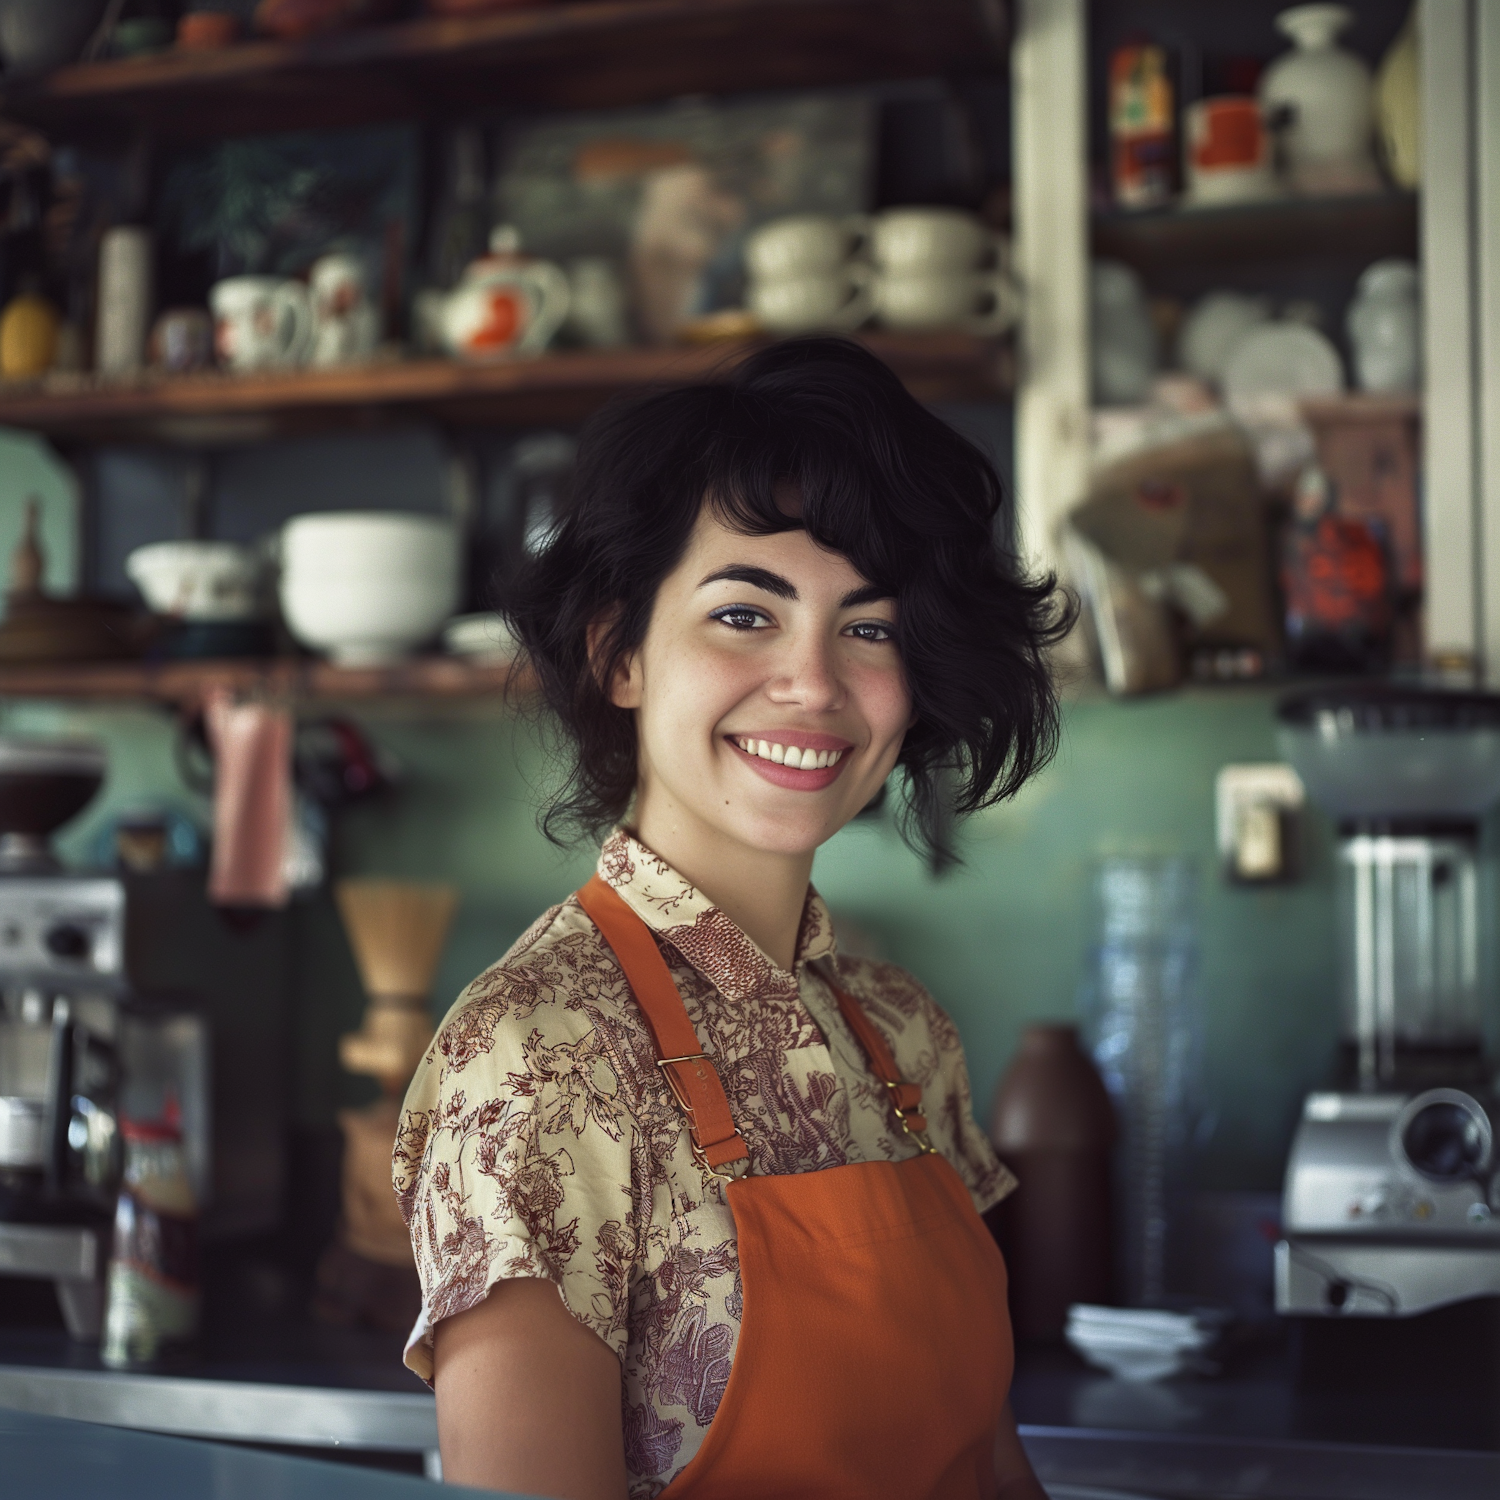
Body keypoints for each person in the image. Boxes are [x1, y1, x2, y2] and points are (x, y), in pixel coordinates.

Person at [394, 338, 1068, 1500]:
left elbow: (987, 1463)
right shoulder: (536, 1063)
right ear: (620, 654)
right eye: (745, 614)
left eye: (870, 626)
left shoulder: (906, 1033)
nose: (813, 682)